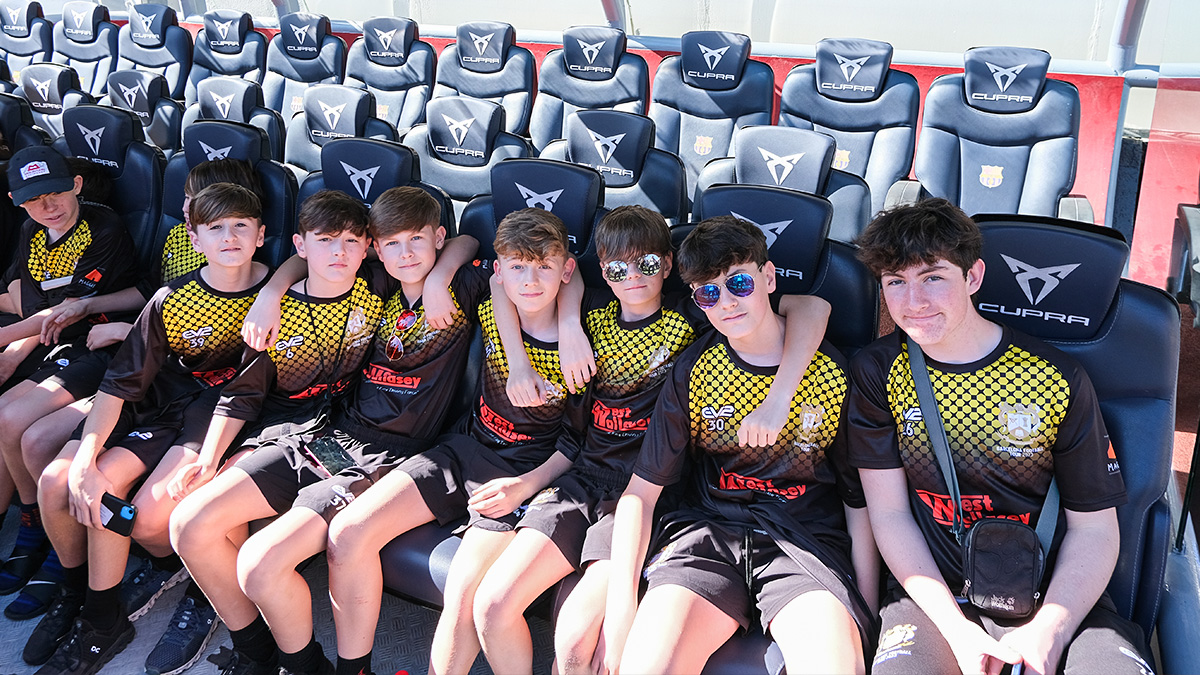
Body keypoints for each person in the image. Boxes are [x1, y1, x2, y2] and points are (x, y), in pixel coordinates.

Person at [471, 206, 835, 675]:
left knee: (578, 645)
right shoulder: (590, 323)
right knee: (493, 605)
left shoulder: (697, 315)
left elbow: (811, 306)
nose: (633, 277)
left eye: (646, 265)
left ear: (666, 267)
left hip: (647, 491)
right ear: (603, 271)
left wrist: (782, 393)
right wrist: (569, 325)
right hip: (581, 478)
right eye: (618, 269)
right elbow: (512, 285)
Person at [847, 198, 1154, 675]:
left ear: (972, 277)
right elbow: (889, 514)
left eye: (933, 277)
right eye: (895, 283)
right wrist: (956, 630)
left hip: (1055, 595)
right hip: (936, 596)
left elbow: (1094, 529)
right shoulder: (877, 370)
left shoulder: (1055, 377)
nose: (914, 302)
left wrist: (1050, 632)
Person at [206, 186, 482, 675]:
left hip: (391, 456)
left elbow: (472, 243)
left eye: (418, 240)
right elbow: (304, 258)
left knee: (261, 563)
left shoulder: (458, 287)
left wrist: (442, 274)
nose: (406, 253)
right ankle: (297, 663)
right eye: (391, 243)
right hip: (331, 434)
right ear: (375, 249)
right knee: (209, 528)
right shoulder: (375, 281)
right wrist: (271, 292)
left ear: (438, 239)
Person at [602, 215, 877, 675]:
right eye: (709, 292)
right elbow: (641, 493)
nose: (726, 302)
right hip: (707, 534)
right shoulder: (694, 367)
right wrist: (620, 608)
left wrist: (866, 612)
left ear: (769, 278)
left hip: (801, 541)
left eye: (739, 284)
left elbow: (859, 500)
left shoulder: (831, 371)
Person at [325, 208, 584, 675]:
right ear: (501, 271)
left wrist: (526, 485)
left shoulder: (584, 343)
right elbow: (480, 262)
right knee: (348, 532)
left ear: (564, 271)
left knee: (465, 592)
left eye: (544, 268)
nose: (530, 281)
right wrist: (440, 278)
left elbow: (579, 445)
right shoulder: (490, 302)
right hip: (465, 449)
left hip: (528, 473)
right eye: (517, 269)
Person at [28, 183, 271, 673]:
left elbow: (245, 391)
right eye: (215, 229)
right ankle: (87, 601)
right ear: (194, 239)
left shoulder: (275, 294)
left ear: (262, 235)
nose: (229, 237)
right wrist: (85, 458)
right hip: (164, 404)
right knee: (61, 481)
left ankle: (134, 599)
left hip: (222, 414)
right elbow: (119, 387)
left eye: (240, 226)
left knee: (129, 512)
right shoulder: (173, 299)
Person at [164, 190, 394, 675]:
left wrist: (273, 284)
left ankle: (301, 664)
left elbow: (451, 247)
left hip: (349, 440)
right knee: (189, 524)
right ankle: (257, 650)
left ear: (369, 247)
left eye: (352, 241)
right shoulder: (275, 308)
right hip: (286, 432)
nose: (339, 252)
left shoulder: (377, 285)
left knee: (270, 553)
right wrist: (208, 457)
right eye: (326, 240)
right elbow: (242, 394)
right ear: (300, 244)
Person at [0, 147, 140, 613]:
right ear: (17, 202)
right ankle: (33, 524)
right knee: (6, 420)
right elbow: (35, 308)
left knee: (19, 423)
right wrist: (17, 345)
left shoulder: (103, 227)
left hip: (101, 347)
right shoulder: (30, 231)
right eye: (35, 199)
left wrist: (7, 340)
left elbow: (62, 311)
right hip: (59, 345)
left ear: (76, 184)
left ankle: (42, 533)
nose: (49, 206)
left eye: (56, 192)